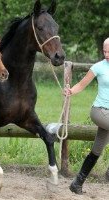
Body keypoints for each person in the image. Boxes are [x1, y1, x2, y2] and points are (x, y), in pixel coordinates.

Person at [64, 37, 109, 194]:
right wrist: (71, 91)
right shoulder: (98, 67)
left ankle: (77, 183)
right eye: (104, 51)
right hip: (99, 111)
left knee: (97, 150)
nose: (106, 54)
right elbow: (82, 84)